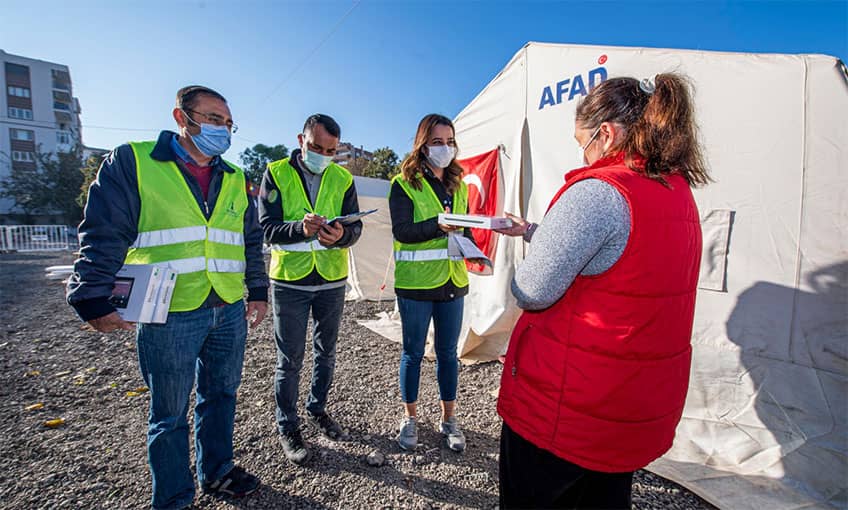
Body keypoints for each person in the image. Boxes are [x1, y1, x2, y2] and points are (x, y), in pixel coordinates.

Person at [495, 74, 710, 509]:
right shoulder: (676, 193)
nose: (583, 153)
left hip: (567, 406)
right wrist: (534, 230)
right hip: (625, 405)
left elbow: (532, 291)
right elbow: (617, 255)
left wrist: (523, 267)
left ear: (606, 134)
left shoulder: (599, 191)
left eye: (584, 142)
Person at [67, 85, 268, 509]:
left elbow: (249, 240)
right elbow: (105, 231)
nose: (222, 129)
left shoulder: (234, 177)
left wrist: (257, 291)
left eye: (228, 123)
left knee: (221, 396)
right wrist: (91, 295)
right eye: (213, 119)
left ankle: (218, 471)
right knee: (169, 412)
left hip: (227, 306)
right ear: (182, 118)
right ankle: (174, 497)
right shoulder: (134, 161)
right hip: (169, 310)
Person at [259, 114, 362, 464]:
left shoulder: (343, 178)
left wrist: (342, 236)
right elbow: (267, 228)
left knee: (326, 352)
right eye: (317, 147)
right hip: (290, 281)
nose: (323, 155)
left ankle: (317, 409)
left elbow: (355, 228)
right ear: (300, 140)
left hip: (331, 279)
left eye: (331, 151)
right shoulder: (276, 172)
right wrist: (299, 230)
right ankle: (287, 425)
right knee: (289, 360)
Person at [388, 113, 475, 453]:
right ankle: (410, 418)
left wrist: (475, 252)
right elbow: (402, 232)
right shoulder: (403, 184)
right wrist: (437, 225)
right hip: (416, 285)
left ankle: (449, 419)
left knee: (448, 354)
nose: (445, 148)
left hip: (453, 281)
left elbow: (464, 231)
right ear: (423, 146)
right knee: (412, 353)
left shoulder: (460, 185)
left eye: (450, 142)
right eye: (437, 142)